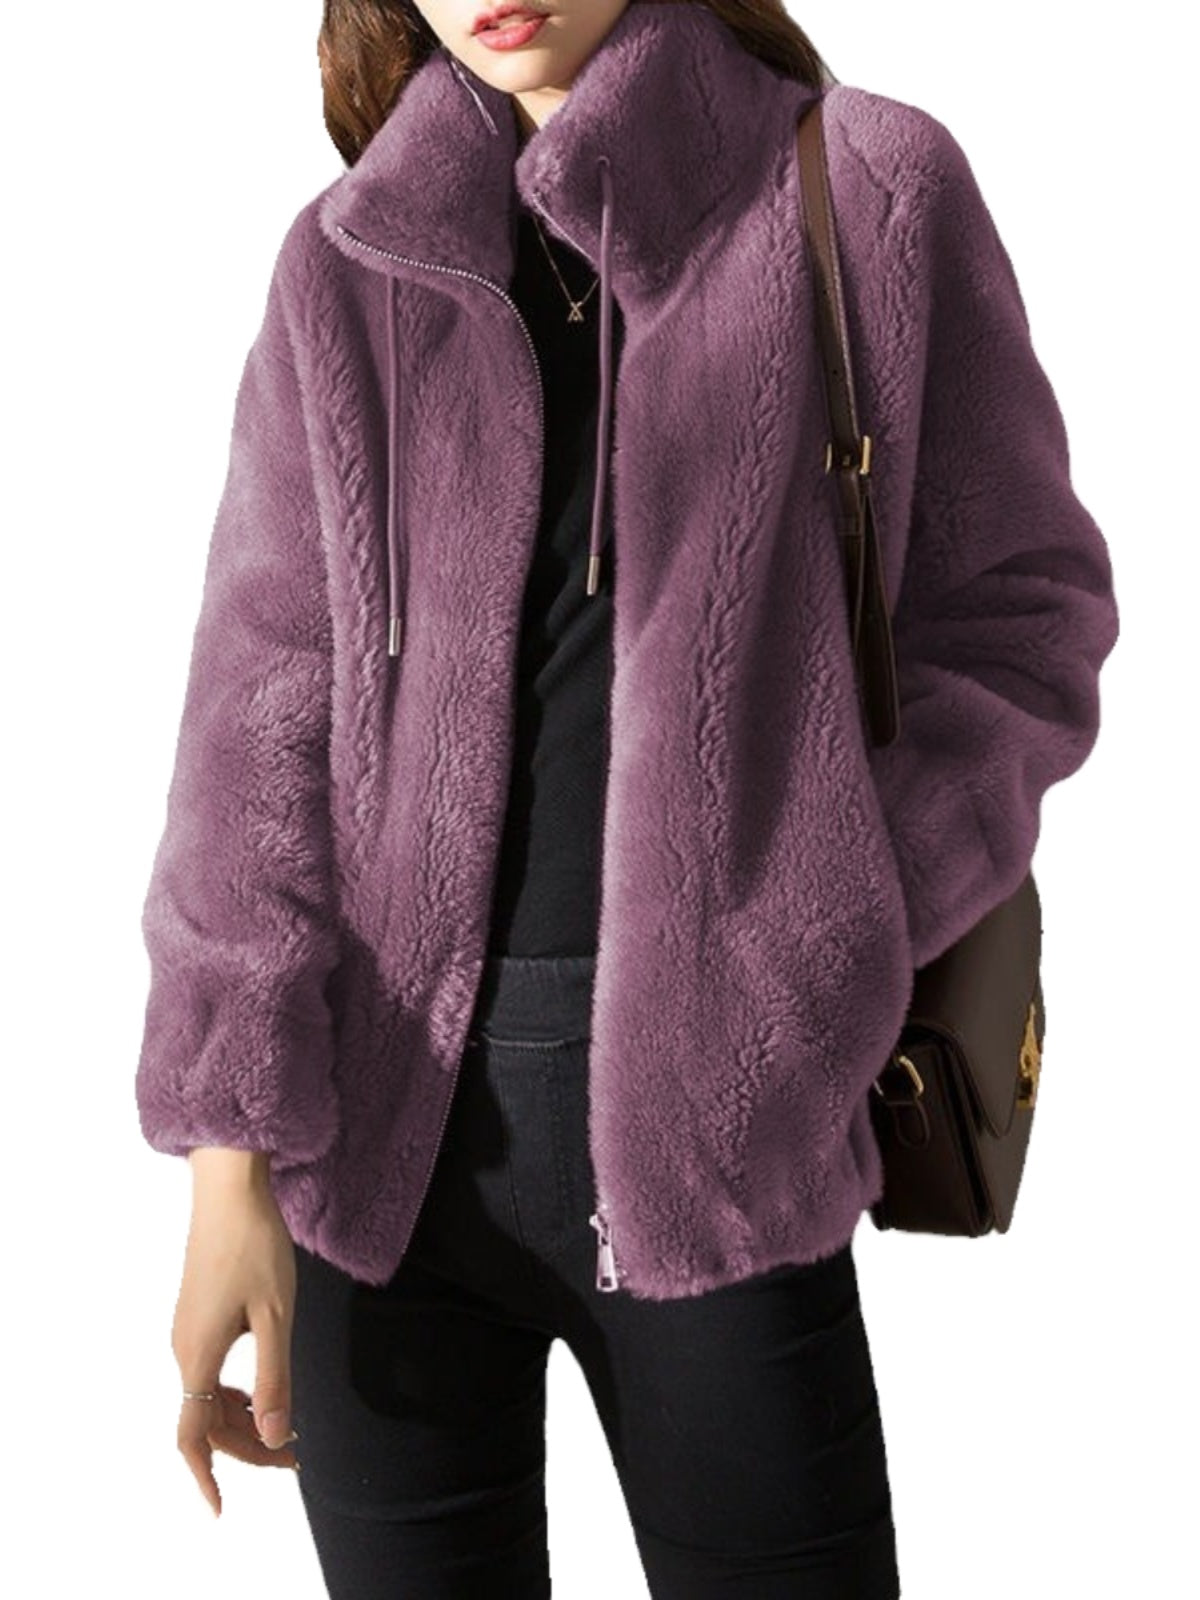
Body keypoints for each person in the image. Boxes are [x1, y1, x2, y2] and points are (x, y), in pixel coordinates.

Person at [134, 2, 1120, 1595]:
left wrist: (825, 923)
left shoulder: (865, 186)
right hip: (383, 1169)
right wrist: (228, 1167)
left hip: (724, 1133)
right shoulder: (349, 260)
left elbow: (1021, 618)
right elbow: (258, 722)